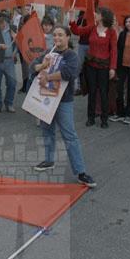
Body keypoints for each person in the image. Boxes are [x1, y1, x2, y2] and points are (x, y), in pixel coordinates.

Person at [31, 26, 96, 188]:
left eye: (60, 35)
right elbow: (33, 66)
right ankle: (49, 160)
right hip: (46, 98)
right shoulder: (49, 52)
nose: (57, 38)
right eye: (55, 35)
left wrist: (47, 77)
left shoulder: (71, 55)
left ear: (68, 37)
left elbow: (69, 73)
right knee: (47, 131)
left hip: (63, 101)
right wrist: (43, 65)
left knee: (69, 135)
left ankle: (80, 172)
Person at [70, 7, 117, 128]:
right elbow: (76, 31)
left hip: (104, 66)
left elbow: (114, 51)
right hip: (91, 65)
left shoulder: (111, 32)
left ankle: (104, 119)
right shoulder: (92, 28)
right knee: (92, 91)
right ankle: (90, 117)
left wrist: (112, 68)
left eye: (98, 13)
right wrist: (72, 17)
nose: (95, 14)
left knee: (103, 92)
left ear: (103, 16)